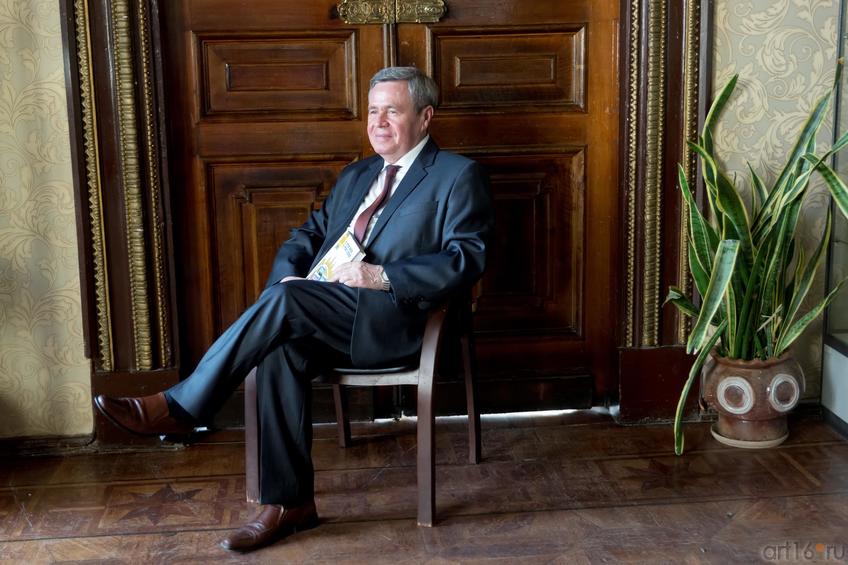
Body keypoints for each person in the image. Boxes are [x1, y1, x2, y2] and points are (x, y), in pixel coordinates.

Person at [94, 66, 494, 551]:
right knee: (279, 347)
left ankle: (182, 406)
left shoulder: (456, 175)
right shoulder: (357, 175)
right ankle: (289, 504)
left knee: (285, 309)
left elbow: (466, 258)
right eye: (373, 111)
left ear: (425, 117)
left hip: (394, 320)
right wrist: (286, 278)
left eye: (392, 110)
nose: (378, 122)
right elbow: (306, 236)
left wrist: (381, 275)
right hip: (320, 309)